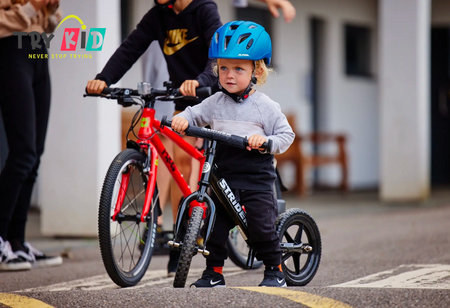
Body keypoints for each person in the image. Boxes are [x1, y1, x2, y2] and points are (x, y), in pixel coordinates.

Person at [86, 0, 222, 276]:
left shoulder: (204, 9)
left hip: (211, 94)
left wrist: (202, 79)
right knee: (176, 163)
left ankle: (190, 227)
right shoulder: (158, 16)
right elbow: (131, 47)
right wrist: (104, 78)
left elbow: (217, 53)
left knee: (186, 160)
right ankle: (178, 236)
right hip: (182, 97)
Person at [171, 20, 295, 287]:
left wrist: (265, 141)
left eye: (238, 68)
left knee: (262, 229)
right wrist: (183, 118)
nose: (229, 75)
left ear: (257, 71)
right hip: (224, 178)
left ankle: (275, 270)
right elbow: (194, 113)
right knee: (214, 229)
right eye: (223, 68)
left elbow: (287, 136)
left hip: (256, 180)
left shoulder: (265, 107)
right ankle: (214, 273)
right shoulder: (215, 102)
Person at [0, 0, 63, 271]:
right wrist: (30, 7)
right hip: (10, 50)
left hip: (37, 51)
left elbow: (50, 24)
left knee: (35, 154)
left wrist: (48, 9)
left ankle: (17, 242)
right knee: (23, 152)